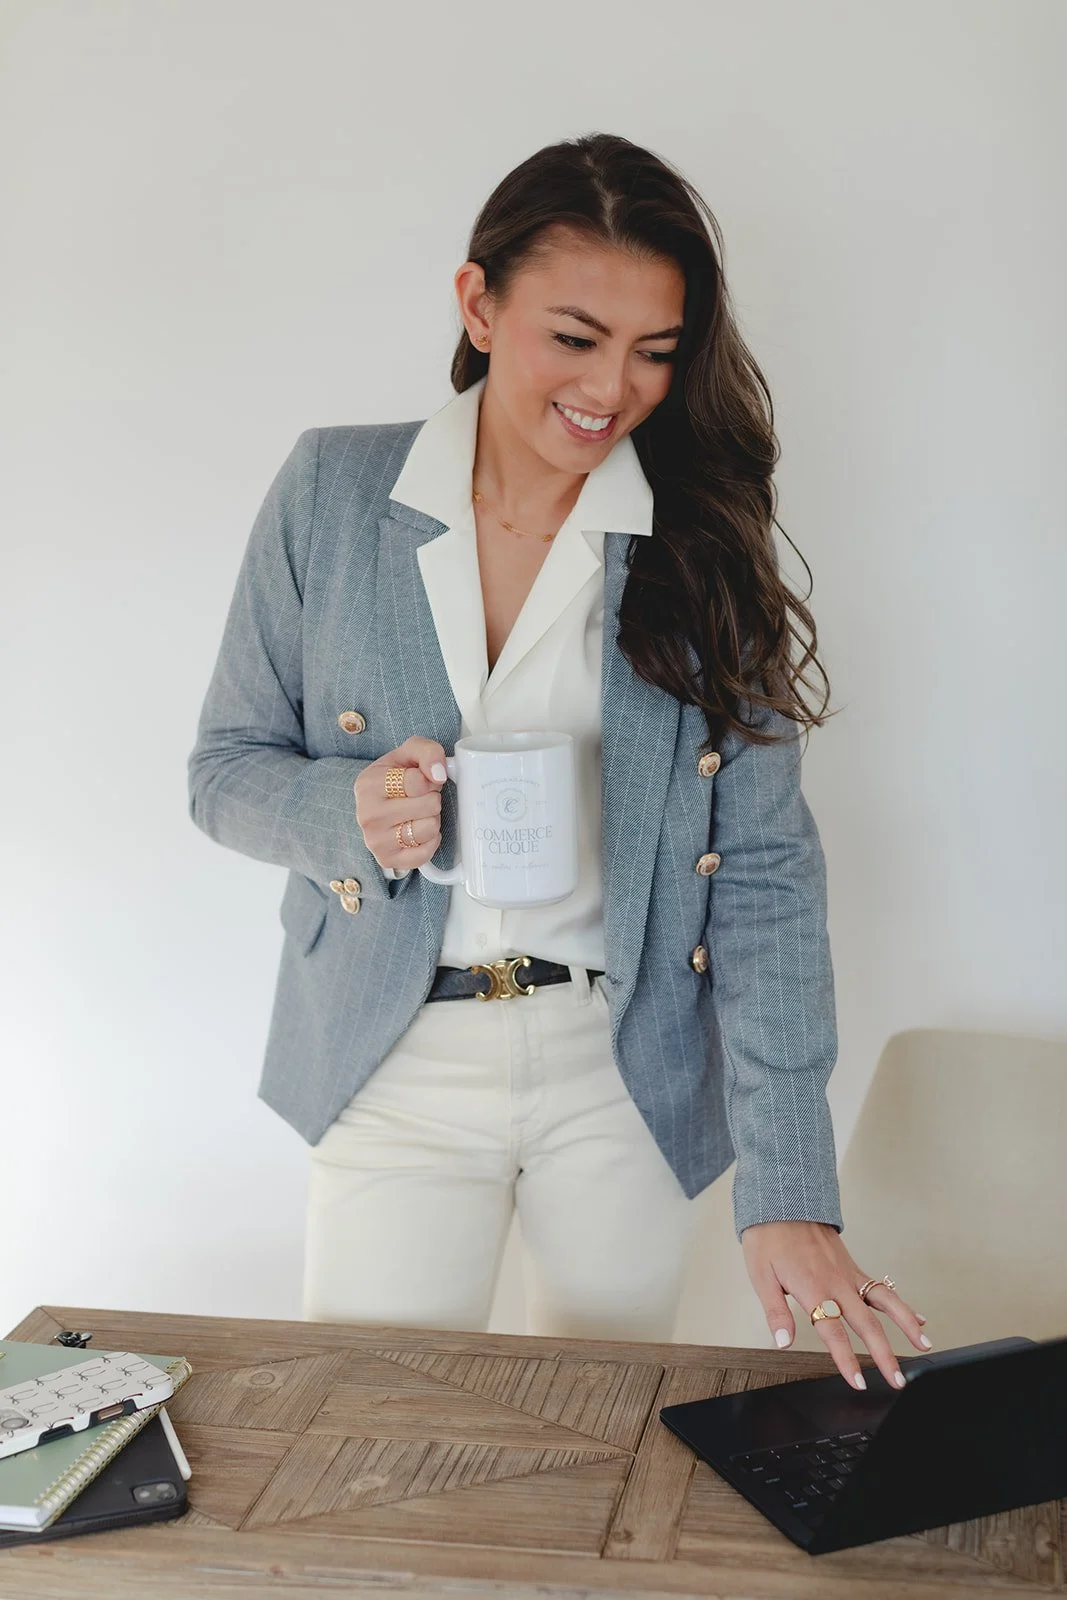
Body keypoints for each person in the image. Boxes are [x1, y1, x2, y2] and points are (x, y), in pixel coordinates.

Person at [188, 131, 930, 1389]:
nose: (614, 388)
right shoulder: (332, 489)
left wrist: (789, 1188)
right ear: (478, 304)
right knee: (363, 1435)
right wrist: (345, 811)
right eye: (574, 338)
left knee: (598, 1444)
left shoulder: (703, 543)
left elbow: (761, 883)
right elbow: (224, 768)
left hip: (619, 1069)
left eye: (655, 351)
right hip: (389, 1058)